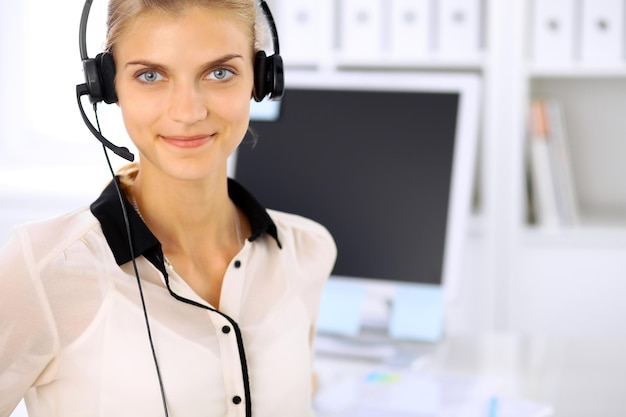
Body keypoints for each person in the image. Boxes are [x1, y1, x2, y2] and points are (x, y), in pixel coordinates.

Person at [0, 0, 337, 416]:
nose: (188, 111)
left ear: (261, 79)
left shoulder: (307, 251)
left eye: (219, 72)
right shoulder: (46, 269)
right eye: (150, 75)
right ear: (107, 87)